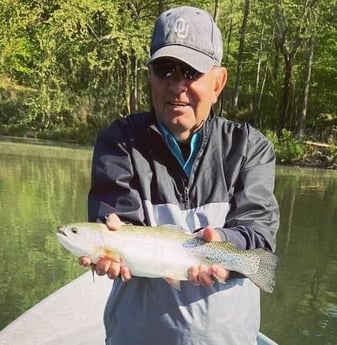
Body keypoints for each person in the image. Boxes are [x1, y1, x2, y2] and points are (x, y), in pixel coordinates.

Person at [80, 5, 279, 345]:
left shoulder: (250, 148)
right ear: (150, 75)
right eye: (165, 70)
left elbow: (258, 231)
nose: (176, 86)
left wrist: (227, 245)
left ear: (219, 81)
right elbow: (115, 219)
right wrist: (111, 245)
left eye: (191, 71)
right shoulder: (119, 144)